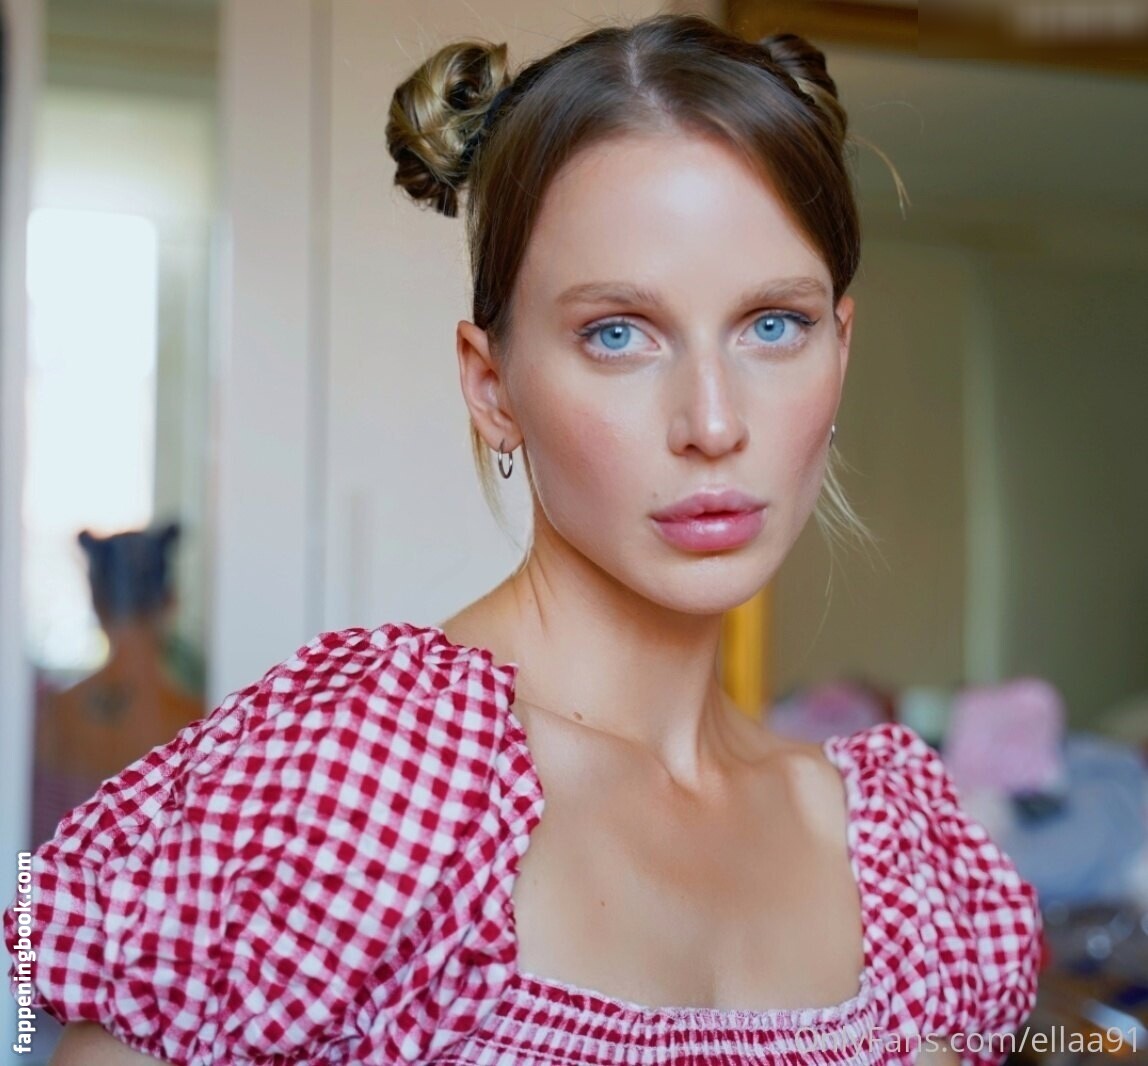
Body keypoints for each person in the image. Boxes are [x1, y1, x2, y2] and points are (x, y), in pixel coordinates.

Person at [5, 12, 1042, 1065]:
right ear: (491, 385)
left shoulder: (908, 863)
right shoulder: (360, 786)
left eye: (773, 324)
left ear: (840, 350)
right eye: (617, 333)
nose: (713, 421)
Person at [30, 523, 203, 849]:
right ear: (171, 602)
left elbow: (27, 853)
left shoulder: (48, 717)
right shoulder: (202, 725)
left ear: (96, 602)